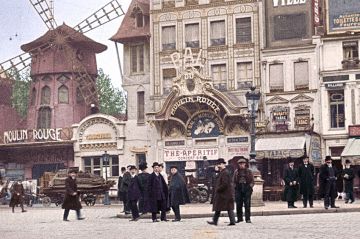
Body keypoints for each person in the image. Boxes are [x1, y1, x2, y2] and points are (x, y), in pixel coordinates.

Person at [207, 158, 236, 226]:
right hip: (224, 193)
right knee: (220, 208)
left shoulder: (225, 172)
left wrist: (218, 189)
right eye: (218, 164)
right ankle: (216, 221)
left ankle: (231, 221)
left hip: (224, 194)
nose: (218, 166)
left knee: (227, 207)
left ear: (223, 164)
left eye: (219, 164)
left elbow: (225, 184)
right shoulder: (223, 172)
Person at [233, 156, 254, 223]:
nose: (241, 165)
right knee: (238, 204)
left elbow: (252, 181)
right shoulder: (236, 172)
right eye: (240, 164)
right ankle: (239, 218)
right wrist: (235, 187)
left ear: (245, 164)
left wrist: (250, 187)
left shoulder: (249, 171)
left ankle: (248, 218)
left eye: (243, 163)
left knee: (247, 204)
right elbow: (233, 181)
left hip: (246, 188)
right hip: (239, 188)